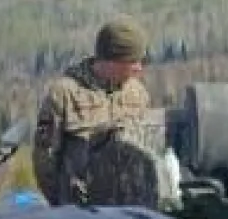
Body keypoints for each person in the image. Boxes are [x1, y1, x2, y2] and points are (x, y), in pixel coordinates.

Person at [32, 19, 151, 203]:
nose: (139, 68)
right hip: (80, 207)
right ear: (113, 61)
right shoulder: (65, 94)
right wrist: (60, 202)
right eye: (133, 61)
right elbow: (45, 160)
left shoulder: (137, 94)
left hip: (128, 206)